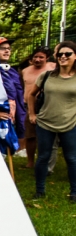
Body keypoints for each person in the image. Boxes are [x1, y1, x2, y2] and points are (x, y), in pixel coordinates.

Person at [26, 41, 76, 202]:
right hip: (45, 123)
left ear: (75, 57)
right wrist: (32, 114)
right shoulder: (47, 75)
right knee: (43, 157)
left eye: (67, 54)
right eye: (60, 54)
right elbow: (31, 95)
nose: (63, 56)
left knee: (72, 158)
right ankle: (39, 191)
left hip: (70, 123)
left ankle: (74, 192)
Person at [22, 47, 57, 169]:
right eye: (35, 57)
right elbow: (22, 87)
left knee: (48, 136)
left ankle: (46, 162)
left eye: (41, 57)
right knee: (30, 135)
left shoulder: (53, 67)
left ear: (47, 58)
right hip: (29, 106)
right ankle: (30, 161)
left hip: (48, 105)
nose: (37, 59)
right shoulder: (25, 71)